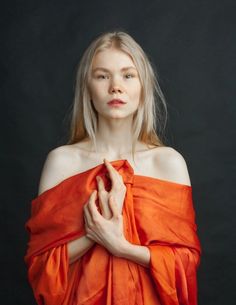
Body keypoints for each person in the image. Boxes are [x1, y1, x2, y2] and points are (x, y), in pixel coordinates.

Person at [25, 30, 201, 305]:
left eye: (128, 75)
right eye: (102, 76)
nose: (115, 86)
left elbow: (185, 264)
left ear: (143, 87)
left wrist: (121, 246)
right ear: (88, 88)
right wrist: (94, 233)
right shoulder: (62, 162)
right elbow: (41, 265)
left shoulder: (168, 163)